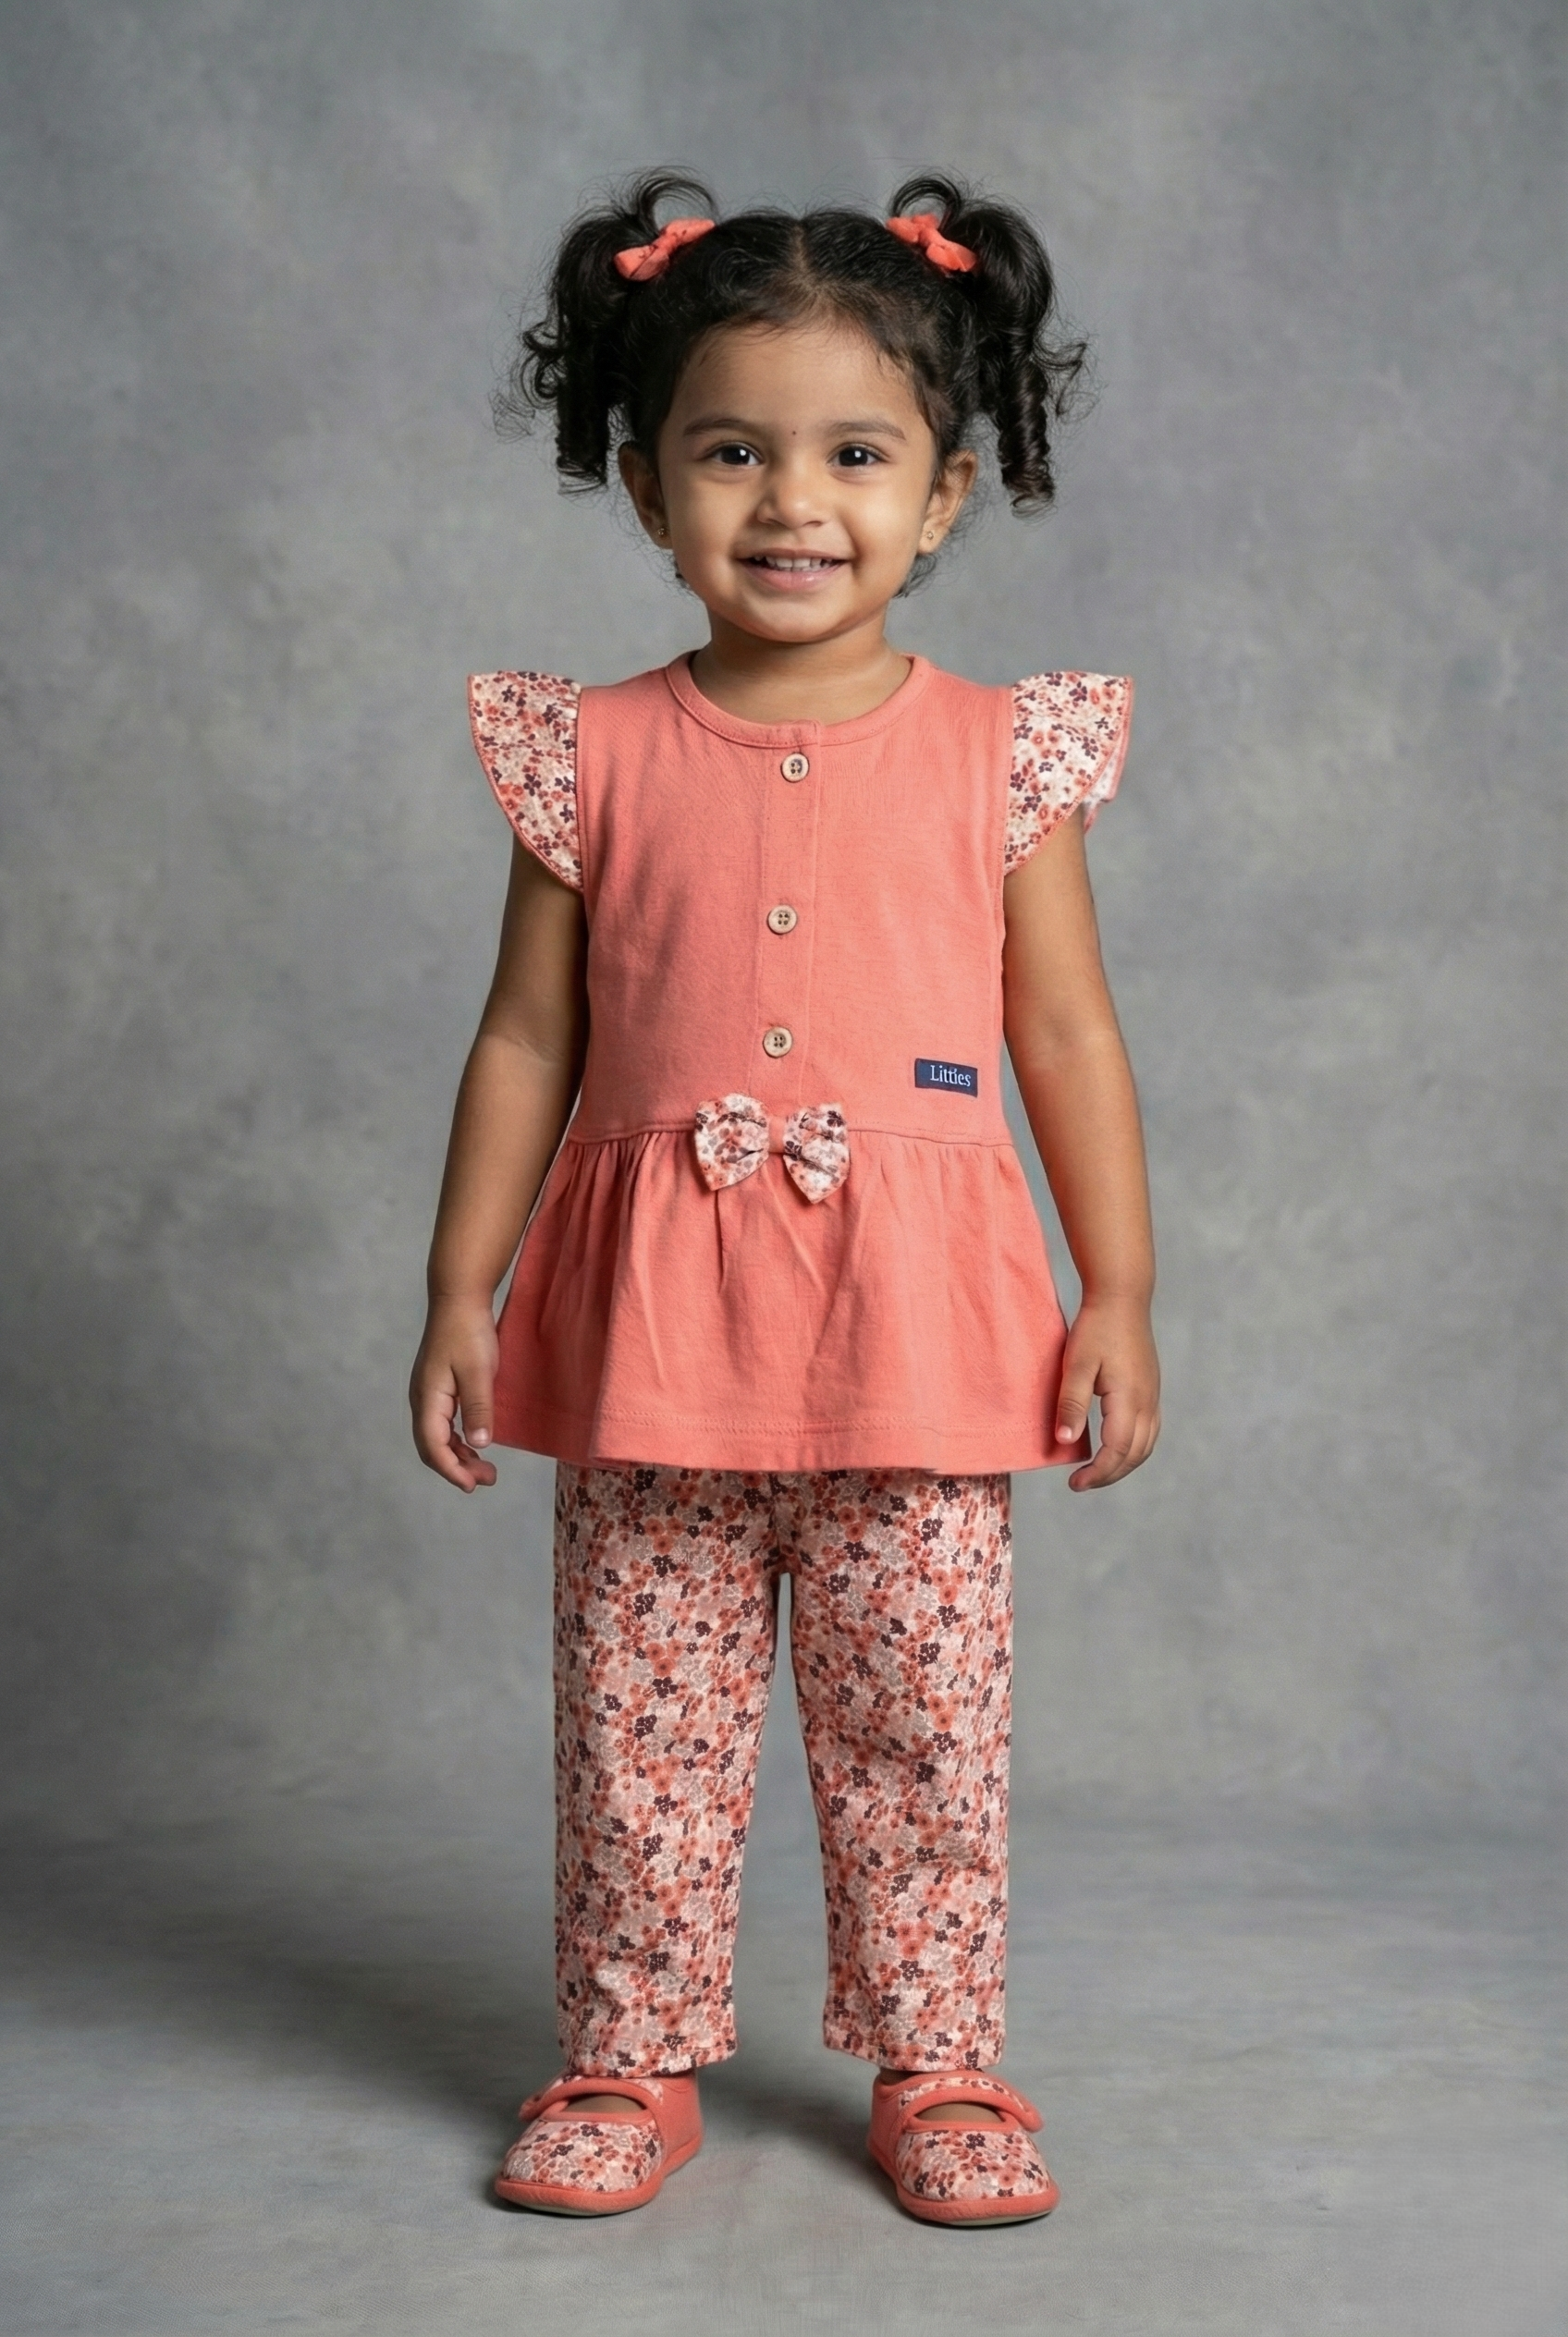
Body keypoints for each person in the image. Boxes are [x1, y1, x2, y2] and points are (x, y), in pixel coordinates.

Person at [410, 169, 1160, 2227]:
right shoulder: (589, 753)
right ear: (647, 489)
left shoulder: (1003, 757)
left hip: (918, 1335)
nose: (791, 501)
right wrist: (460, 1287)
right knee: (638, 1729)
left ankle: (938, 2062)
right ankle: (625, 2054)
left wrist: (1118, 1290)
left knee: (921, 1724)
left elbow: (1066, 1039)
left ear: (942, 496)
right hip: (652, 1329)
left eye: (854, 454)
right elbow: (523, 1045)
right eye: (729, 450)